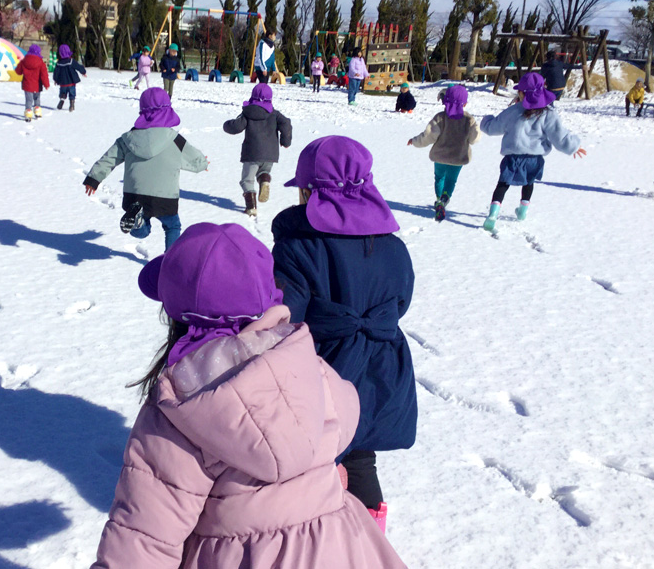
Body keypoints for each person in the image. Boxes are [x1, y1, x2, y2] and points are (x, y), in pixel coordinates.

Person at [90, 222, 408, 569]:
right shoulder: (307, 362)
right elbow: (346, 415)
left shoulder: (182, 407)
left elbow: (143, 540)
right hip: (336, 548)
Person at [271, 136, 417, 532]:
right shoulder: (394, 247)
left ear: (308, 192)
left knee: (315, 458)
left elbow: (283, 314)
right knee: (361, 455)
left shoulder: (299, 247)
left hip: (324, 370)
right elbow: (401, 302)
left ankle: (318, 538)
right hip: (379, 370)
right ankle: (370, 538)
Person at [83, 88, 208, 251]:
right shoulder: (175, 139)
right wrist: (202, 164)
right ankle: (168, 262)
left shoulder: (127, 139)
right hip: (165, 196)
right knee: (172, 226)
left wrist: (94, 178)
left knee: (142, 231)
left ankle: (138, 222)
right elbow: (195, 159)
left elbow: (109, 158)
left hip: (134, 196)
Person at [479, 72, 586, 232]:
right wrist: (573, 146)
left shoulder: (514, 111)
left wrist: (487, 120)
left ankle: (493, 215)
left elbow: (493, 127)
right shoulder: (548, 114)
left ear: (522, 93)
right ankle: (522, 211)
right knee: (529, 183)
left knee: (502, 184)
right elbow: (559, 136)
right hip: (534, 159)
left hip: (512, 158)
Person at [408, 84, 479, 221]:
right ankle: (444, 199)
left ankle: (439, 199)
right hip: (458, 157)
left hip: (440, 156)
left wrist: (415, 141)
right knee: (451, 180)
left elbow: (428, 135)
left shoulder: (440, 117)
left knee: (439, 177)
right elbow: (475, 138)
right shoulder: (468, 119)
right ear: (465, 103)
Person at [223, 84, 293, 216]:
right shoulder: (275, 114)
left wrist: (226, 125)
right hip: (270, 154)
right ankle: (265, 180)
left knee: (247, 180)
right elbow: (286, 123)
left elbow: (236, 127)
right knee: (264, 170)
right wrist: (285, 141)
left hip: (252, 154)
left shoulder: (248, 113)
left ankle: (251, 207)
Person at [15, 44, 49, 121]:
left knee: (28, 100)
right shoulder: (41, 63)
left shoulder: (24, 61)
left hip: (27, 85)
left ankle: (28, 114)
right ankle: (37, 112)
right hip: (37, 85)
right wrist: (46, 84)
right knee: (37, 98)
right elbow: (44, 75)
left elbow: (18, 72)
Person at [53, 44, 86, 112]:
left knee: (63, 93)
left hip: (63, 83)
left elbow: (56, 72)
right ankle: (72, 104)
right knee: (72, 94)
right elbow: (78, 67)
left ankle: (62, 100)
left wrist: (55, 79)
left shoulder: (59, 63)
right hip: (71, 82)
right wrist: (83, 72)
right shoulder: (71, 61)